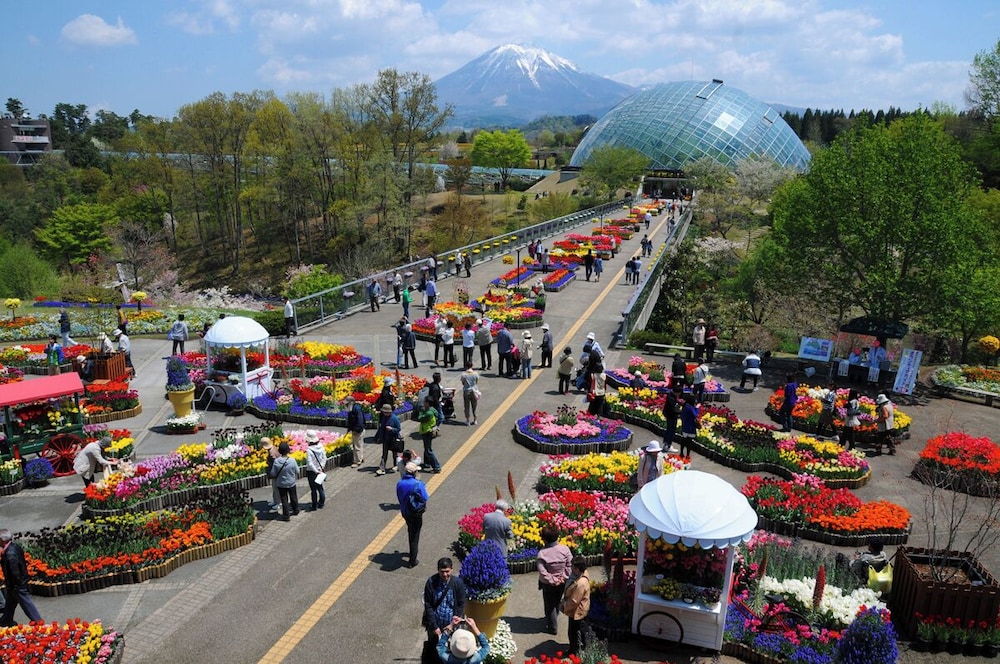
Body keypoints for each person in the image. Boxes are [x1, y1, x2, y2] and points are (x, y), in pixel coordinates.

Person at [422, 558, 466, 661]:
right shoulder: (431, 582)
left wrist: (454, 622)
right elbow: (428, 605)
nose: (445, 574)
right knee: (434, 647)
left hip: (451, 625)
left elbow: (461, 603)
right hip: (435, 625)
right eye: (442, 572)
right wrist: (434, 626)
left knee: (452, 648)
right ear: (438, 570)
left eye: (447, 571)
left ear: (452, 569)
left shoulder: (458, 583)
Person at [0, 529, 42, 627]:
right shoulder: (14, 546)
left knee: (26, 602)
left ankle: (38, 621)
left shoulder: (9, 554)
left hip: (16, 584)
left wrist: (15, 584)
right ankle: (6, 620)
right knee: (11, 602)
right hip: (16, 583)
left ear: (3, 540)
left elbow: (14, 571)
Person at [537, 525, 572, 635]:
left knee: (549, 603)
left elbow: (542, 571)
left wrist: (552, 580)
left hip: (548, 584)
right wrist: (564, 577)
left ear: (544, 539)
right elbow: (569, 565)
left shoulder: (542, 553)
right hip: (562, 582)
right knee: (556, 600)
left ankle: (552, 627)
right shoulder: (564, 549)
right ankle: (553, 618)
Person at [398, 463, 430, 567]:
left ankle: (412, 551)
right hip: (415, 513)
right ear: (414, 472)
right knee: (415, 536)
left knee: (410, 529)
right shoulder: (417, 484)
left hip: (405, 512)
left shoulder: (400, 483)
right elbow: (425, 497)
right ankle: (412, 560)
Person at [560, 557, 591, 656]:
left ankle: (574, 650)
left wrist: (563, 606)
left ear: (578, 569)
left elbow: (574, 601)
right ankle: (581, 647)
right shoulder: (580, 575)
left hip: (577, 611)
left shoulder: (580, 583)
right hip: (579, 610)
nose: (571, 568)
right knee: (580, 630)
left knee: (574, 632)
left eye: (573, 566)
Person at [269, 442, 300, 521]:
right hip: (291, 482)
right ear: (288, 451)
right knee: (293, 496)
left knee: (284, 499)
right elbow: (297, 471)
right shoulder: (292, 460)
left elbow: (273, 473)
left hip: (281, 484)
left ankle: (286, 515)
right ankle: (295, 510)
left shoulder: (276, 461)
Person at [375, 404, 402, 476]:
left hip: (393, 439)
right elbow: (382, 429)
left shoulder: (395, 418)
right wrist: (380, 437)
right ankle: (382, 468)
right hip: (385, 439)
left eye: (385, 412)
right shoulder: (384, 418)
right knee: (384, 454)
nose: (384, 413)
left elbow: (398, 429)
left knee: (394, 453)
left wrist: (392, 429)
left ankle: (396, 465)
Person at [417, 397, 442, 473]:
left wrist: (421, 412)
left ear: (428, 403)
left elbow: (420, 418)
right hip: (429, 431)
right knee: (427, 447)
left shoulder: (428, 413)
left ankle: (436, 467)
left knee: (428, 450)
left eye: (425, 402)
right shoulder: (433, 410)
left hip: (427, 431)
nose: (423, 403)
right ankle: (427, 463)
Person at [304, 431, 327, 510]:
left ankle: (314, 505)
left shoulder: (309, 450)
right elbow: (324, 458)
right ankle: (321, 502)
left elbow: (309, 463)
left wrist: (315, 470)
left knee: (313, 489)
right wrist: (321, 468)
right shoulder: (321, 447)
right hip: (320, 470)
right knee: (320, 487)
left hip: (311, 472)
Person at [344, 395, 366, 467]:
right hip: (356, 429)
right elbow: (350, 421)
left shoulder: (356, 409)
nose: (346, 405)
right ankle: (361, 457)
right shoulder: (351, 409)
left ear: (351, 403)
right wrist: (349, 429)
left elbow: (360, 421)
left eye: (347, 404)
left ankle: (357, 461)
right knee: (359, 444)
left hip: (358, 430)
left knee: (356, 446)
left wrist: (357, 430)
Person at [261, 438, 281, 511]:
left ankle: (278, 503)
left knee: (276, 487)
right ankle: (275, 501)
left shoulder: (272, 453)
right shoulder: (273, 448)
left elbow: (275, 464)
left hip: (275, 473)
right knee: (274, 487)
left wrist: (272, 472)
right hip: (275, 472)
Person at [662, 386, 682, 451]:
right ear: (677, 392)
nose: (679, 395)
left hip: (669, 415)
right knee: (671, 431)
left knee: (668, 430)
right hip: (671, 416)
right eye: (679, 393)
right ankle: (668, 445)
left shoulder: (671, 395)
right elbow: (673, 409)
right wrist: (680, 412)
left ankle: (666, 443)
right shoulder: (671, 398)